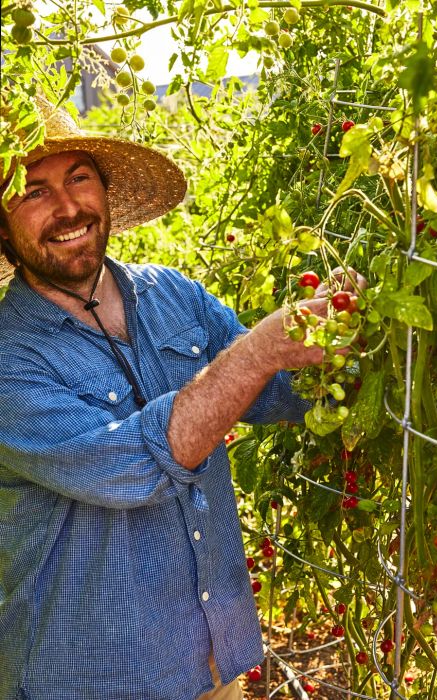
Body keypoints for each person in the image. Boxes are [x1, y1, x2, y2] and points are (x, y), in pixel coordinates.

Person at [0, 99, 365, 700]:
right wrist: (260, 350)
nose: (68, 208)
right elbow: (133, 468)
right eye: (34, 191)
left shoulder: (173, 294)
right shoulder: (9, 360)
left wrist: (340, 333)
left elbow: (272, 391)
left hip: (210, 661)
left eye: (79, 178)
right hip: (89, 678)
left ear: (106, 189)